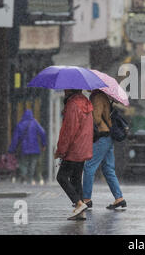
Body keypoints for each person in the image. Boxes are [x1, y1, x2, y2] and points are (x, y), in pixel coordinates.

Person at [82, 89, 127, 210]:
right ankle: (119, 198)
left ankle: (86, 199)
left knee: (89, 166)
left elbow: (96, 118)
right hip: (108, 137)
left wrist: (87, 115)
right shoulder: (103, 97)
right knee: (108, 169)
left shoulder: (96, 97)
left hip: (102, 136)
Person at [55, 89, 94, 220]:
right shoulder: (86, 102)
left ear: (70, 90)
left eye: (66, 89)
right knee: (76, 178)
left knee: (61, 177)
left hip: (74, 148)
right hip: (83, 147)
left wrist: (61, 150)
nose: (64, 91)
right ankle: (81, 212)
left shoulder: (73, 105)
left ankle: (78, 203)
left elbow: (68, 131)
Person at [8, 109, 46, 185]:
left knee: (23, 163)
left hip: (24, 149)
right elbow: (42, 132)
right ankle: (30, 178)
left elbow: (15, 138)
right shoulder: (35, 123)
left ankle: (24, 177)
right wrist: (44, 144)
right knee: (33, 163)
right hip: (35, 148)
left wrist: (12, 149)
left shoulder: (20, 124)